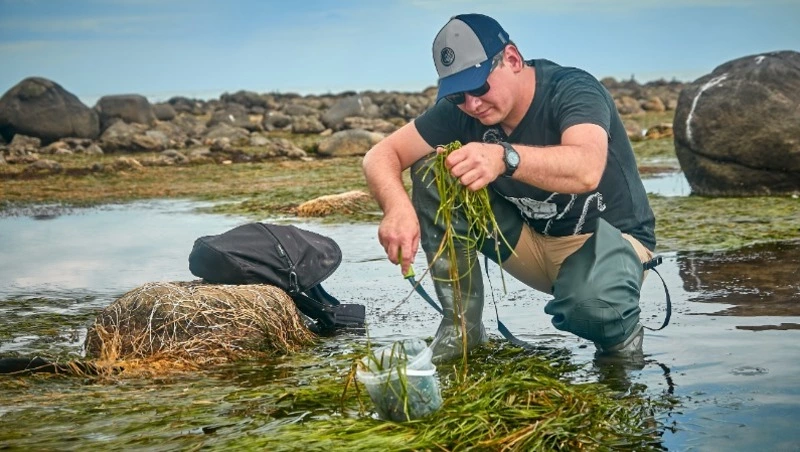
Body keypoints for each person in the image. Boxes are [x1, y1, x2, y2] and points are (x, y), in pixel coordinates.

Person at [362, 13, 656, 364]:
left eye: (479, 86)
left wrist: (504, 157)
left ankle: (620, 343)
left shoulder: (573, 89)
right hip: (529, 243)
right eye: (458, 95)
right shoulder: (463, 111)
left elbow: (586, 169)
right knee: (433, 172)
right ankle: (462, 329)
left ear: (513, 59)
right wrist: (396, 208)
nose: (471, 104)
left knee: (590, 306)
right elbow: (381, 154)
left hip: (606, 240)